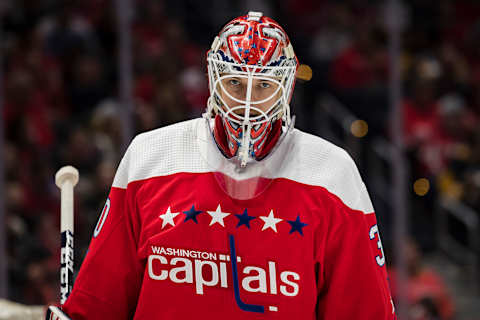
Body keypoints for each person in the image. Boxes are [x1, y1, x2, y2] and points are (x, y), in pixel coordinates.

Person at [49, 11, 396, 319]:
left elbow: (364, 310)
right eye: (235, 83)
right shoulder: (151, 155)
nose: (247, 102)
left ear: (286, 88)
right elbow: (99, 303)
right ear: (213, 79)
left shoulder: (332, 173)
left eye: (263, 85)